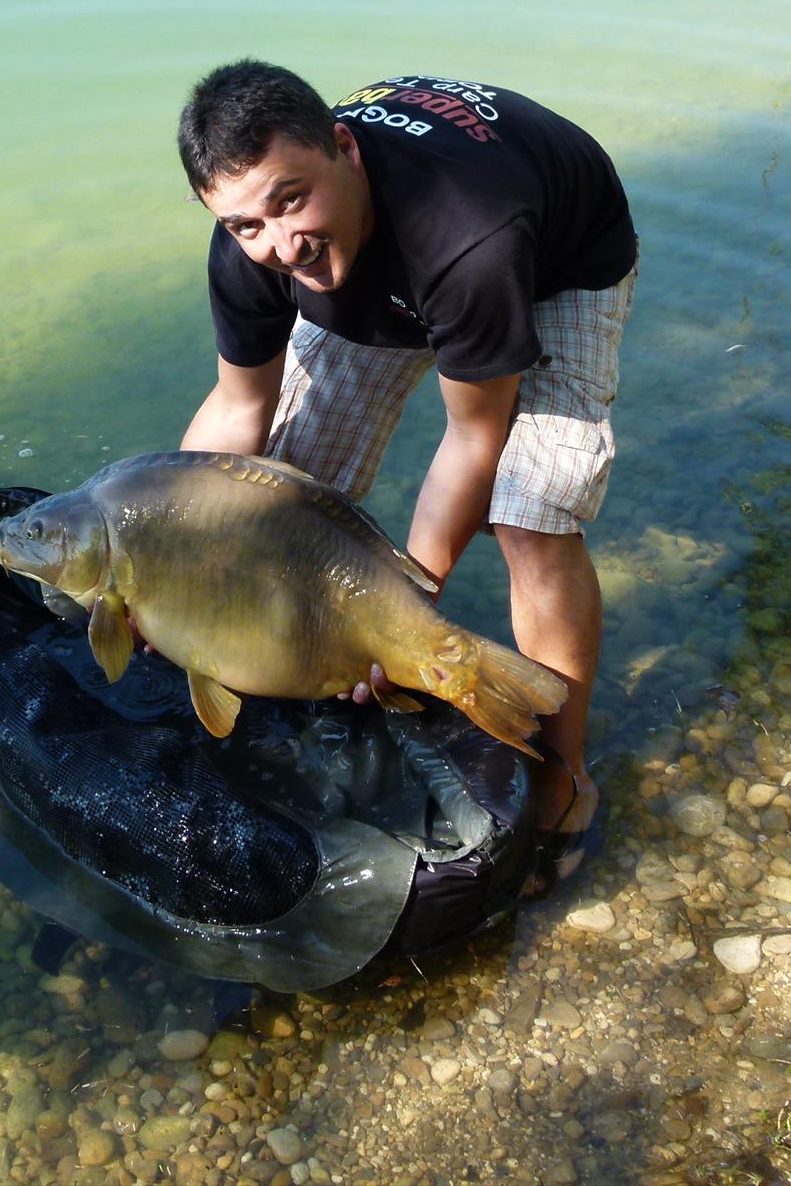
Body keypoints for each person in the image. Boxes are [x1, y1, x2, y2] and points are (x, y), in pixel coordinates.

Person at [175, 62, 639, 893]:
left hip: (555, 259)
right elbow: (237, 411)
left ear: (344, 149)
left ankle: (563, 776)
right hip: (400, 264)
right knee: (279, 490)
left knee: (530, 516)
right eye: (248, 223)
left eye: (292, 199)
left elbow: (474, 434)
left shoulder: (469, 234)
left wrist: (397, 612)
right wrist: (172, 553)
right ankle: (296, 691)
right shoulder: (254, 247)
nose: (282, 244)